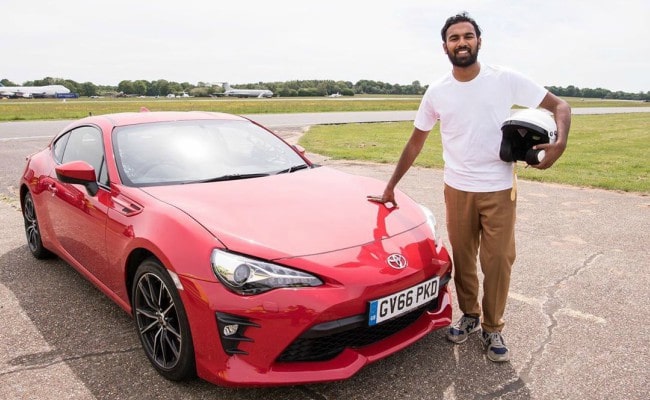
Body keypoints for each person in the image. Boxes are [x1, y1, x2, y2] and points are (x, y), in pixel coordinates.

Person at [367, 12, 571, 362]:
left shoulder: (504, 79)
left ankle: (493, 328)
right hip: (457, 189)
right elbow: (415, 142)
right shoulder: (437, 91)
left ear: (479, 40)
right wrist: (390, 187)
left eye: (468, 36)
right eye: (454, 38)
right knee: (463, 259)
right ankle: (471, 317)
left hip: (498, 188)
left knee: (498, 262)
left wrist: (560, 143)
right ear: (444, 46)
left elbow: (560, 106)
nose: (462, 42)